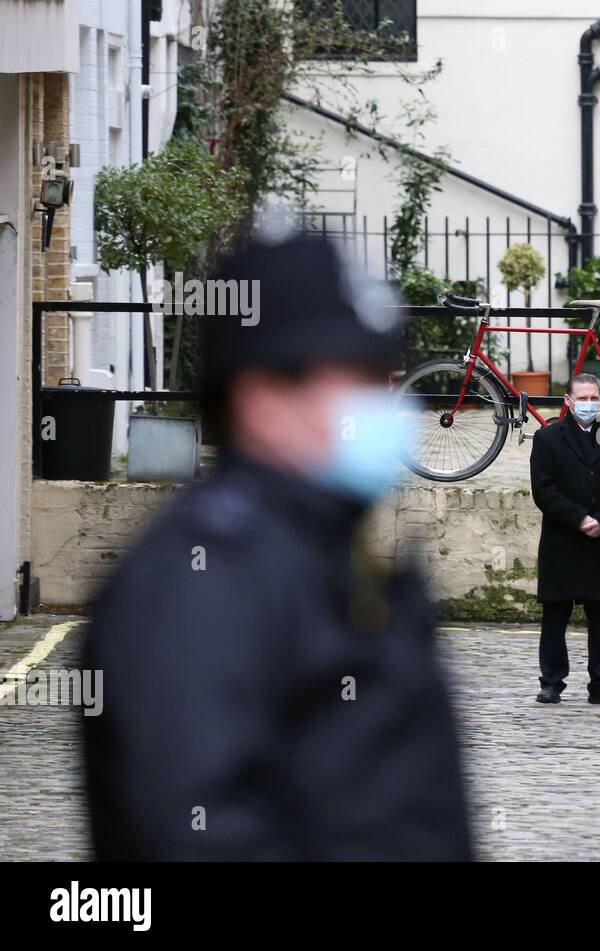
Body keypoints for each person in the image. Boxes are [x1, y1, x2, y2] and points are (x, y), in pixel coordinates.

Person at [82, 231, 473, 860]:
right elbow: (190, 829)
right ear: (261, 395)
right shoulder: (198, 576)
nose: (385, 404)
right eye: (358, 379)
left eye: (383, 377)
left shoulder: (322, 544)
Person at [529, 373, 600, 704]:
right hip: (562, 538)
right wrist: (578, 518)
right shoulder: (547, 439)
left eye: (594, 398)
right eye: (583, 398)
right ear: (568, 401)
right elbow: (543, 490)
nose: (589, 403)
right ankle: (551, 681)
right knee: (556, 613)